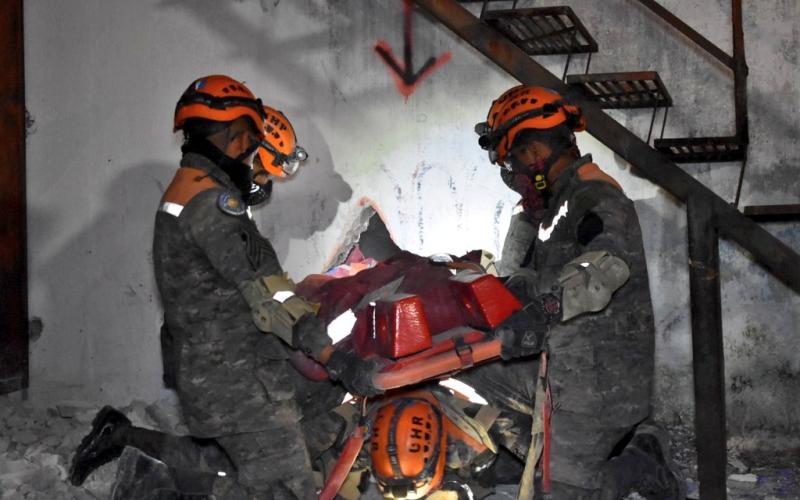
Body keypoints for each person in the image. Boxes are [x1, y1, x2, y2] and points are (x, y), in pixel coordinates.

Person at [69, 75, 380, 499]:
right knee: (286, 487)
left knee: (234, 458)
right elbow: (270, 298)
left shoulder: (187, 191)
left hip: (212, 372)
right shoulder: (214, 206)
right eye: (249, 143)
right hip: (239, 383)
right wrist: (333, 355)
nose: (249, 155)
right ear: (236, 136)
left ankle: (124, 439)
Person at [461, 85, 685, 499]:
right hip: (561, 365)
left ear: (531, 155)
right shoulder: (552, 208)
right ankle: (525, 452)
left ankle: (640, 460)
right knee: (466, 363)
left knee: (562, 494)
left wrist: (544, 309)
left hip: (599, 383)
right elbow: (536, 275)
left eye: (512, 161)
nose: (512, 173)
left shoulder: (594, 195)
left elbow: (606, 262)